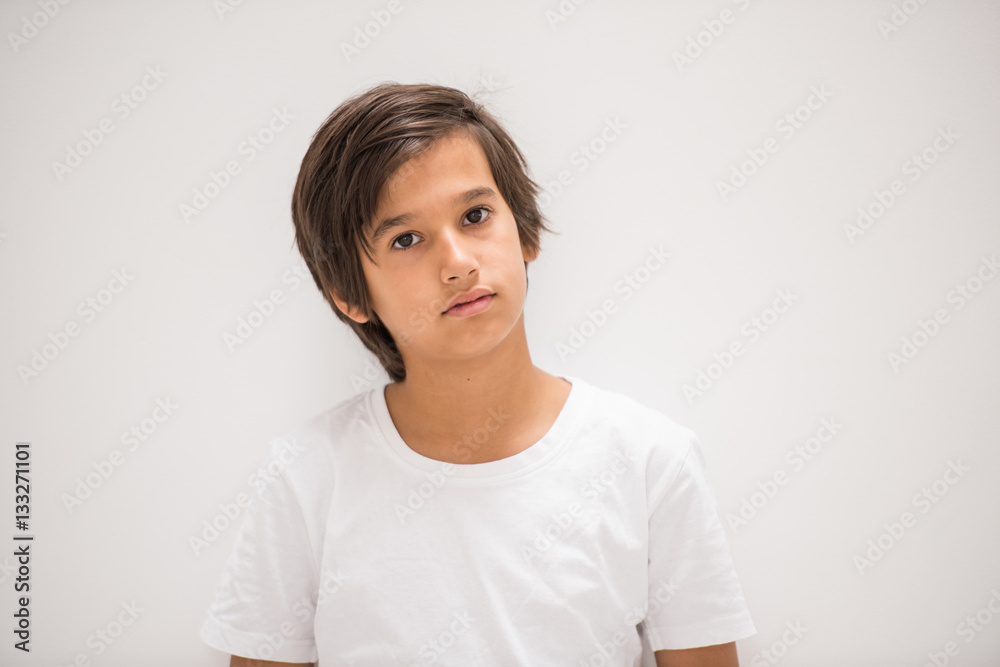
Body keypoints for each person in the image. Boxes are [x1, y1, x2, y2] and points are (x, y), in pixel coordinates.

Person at [199, 82, 756, 666]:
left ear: (528, 232)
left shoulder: (650, 463)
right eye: (406, 238)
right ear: (349, 293)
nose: (458, 262)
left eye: (476, 215)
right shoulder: (308, 477)